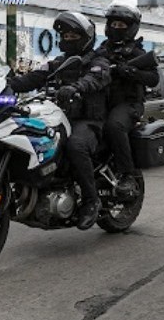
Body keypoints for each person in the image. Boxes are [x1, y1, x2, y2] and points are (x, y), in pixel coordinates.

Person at [8, 12, 111, 230]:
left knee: (76, 146)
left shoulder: (99, 61)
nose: (68, 40)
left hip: (88, 121)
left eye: (73, 36)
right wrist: (7, 83)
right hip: (60, 116)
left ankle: (92, 201)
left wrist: (76, 87)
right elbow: (34, 77)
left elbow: (94, 79)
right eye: (65, 36)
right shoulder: (58, 62)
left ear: (86, 38)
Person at [95, 5, 159, 199]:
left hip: (129, 104)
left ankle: (127, 175)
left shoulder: (138, 53)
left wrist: (131, 72)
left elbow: (154, 79)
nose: (116, 27)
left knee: (114, 126)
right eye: (113, 23)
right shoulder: (101, 51)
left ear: (131, 27)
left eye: (121, 24)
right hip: (102, 102)